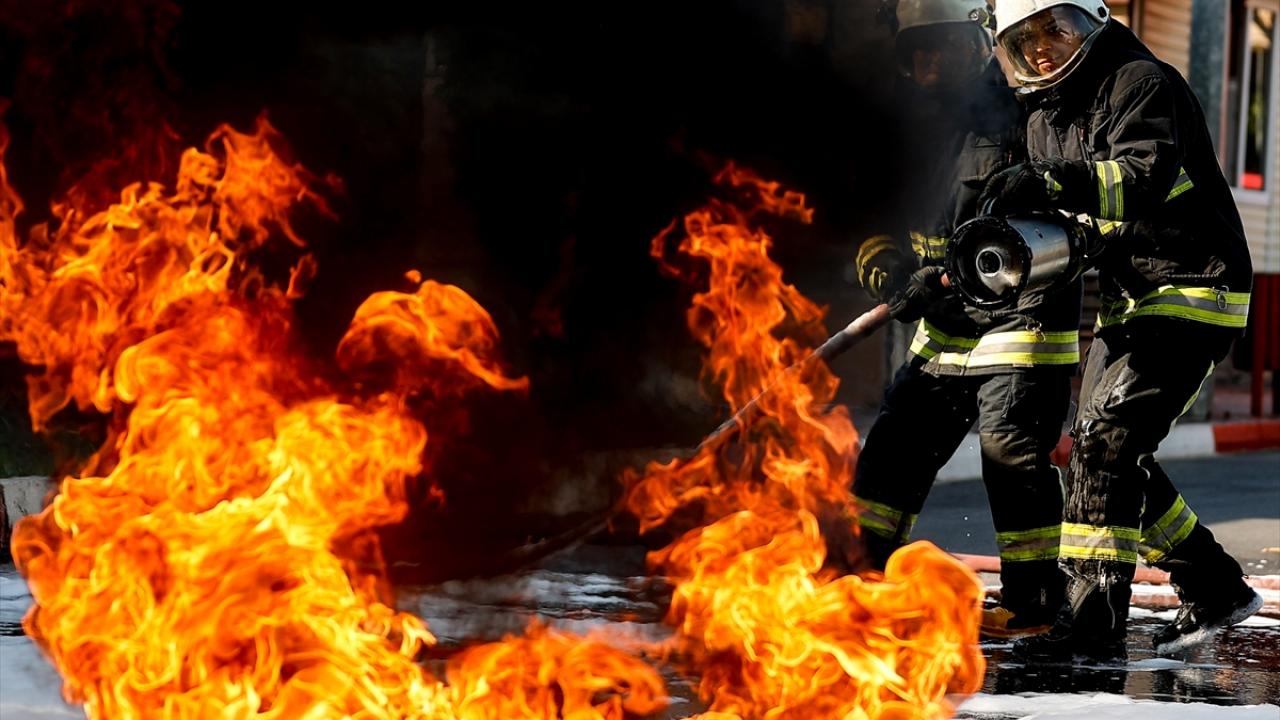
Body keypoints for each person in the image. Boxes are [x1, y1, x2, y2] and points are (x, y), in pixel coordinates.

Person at [982, 0, 1263, 662]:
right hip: (1130, 297)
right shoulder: (1045, 118)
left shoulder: (1141, 82)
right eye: (1026, 39)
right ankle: (1215, 586)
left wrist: (1050, 181)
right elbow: (1076, 224)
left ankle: (1091, 626)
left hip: (1193, 284)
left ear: (1092, 19)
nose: (1044, 47)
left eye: (1055, 28)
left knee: (1108, 445)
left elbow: (1140, 177)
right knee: (1100, 452)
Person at [850, 0, 1083, 639]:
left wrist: (959, 266)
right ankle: (855, 579)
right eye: (916, 50)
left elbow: (1047, 213)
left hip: (1020, 320)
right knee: (892, 451)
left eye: (941, 46)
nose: (928, 61)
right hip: (943, 328)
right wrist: (887, 264)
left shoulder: (1020, 111)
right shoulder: (906, 127)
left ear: (973, 44)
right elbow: (872, 212)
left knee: (1010, 452)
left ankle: (1035, 604)